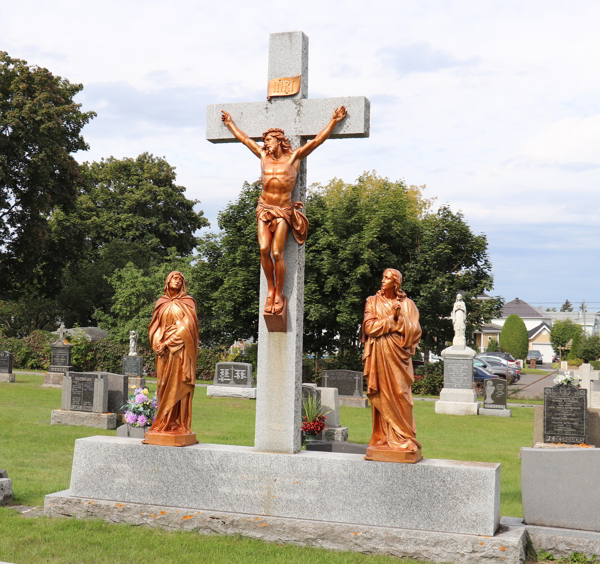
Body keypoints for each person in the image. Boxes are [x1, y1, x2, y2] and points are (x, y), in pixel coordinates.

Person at [221, 106, 347, 315]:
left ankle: (279, 293)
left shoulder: (293, 158)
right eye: (265, 141)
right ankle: (270, 289)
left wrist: (333, 122)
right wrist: (230, 124)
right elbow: (244, 140)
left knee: (277, 252)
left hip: (283, 210)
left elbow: (317, 141)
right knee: (263, 249)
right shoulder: (263, 156)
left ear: (279, 140)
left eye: (269, 140)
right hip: (264, 208)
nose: (265, 143)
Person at [362, 268, 422, 459]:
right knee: (381, 393)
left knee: (400, 393)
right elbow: (369, 327)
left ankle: (405, 438)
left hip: (399, 356)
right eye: (382, 277)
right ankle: (383, 439)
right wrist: (392, 320)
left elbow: (415, 331)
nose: (383, 281)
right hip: (379, 355)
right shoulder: (372, 301)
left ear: (396, 283)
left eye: (387, 278)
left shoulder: (408, 304)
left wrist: (401, 319)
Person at [147, 271, 197, 438]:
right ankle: (163, 422)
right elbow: (155, 326)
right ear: (167, 281)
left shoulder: (188, 302)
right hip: (163, 353)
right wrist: (157, 345)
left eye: (180, 279)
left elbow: (187, 327)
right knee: (162, 384)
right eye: (174, 278)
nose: (177, 281)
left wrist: (168, 343)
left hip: (180, 351)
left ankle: (177, 423)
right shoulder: (161, 302)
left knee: (178, 384)